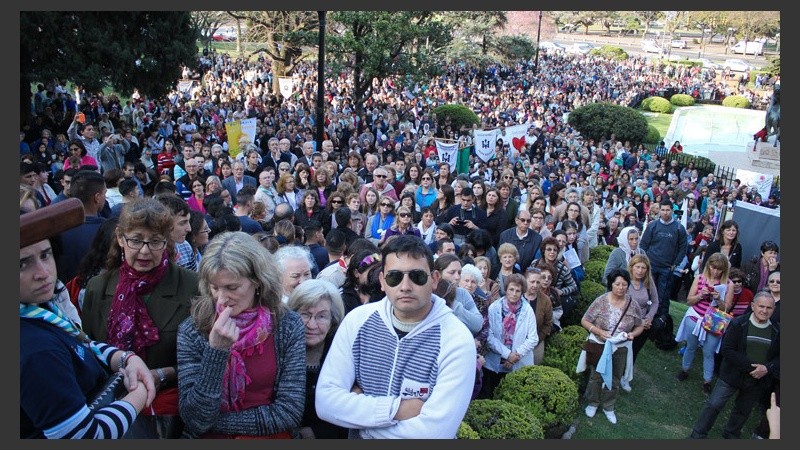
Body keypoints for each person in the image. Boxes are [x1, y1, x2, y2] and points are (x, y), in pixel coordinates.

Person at [315, 235, 477, 438]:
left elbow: (435, 433)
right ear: (383, 281)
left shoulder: (456, 339)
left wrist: (362, 420)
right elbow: (326, 402)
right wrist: (399, 409)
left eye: (417, 276)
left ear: (434, 279)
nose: (405, 286)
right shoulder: (357, 321)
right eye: (394, 277)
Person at [21, 207, 156, 438]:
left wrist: (124, 357)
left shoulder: (37, 306)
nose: (43, 273)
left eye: (45, 254)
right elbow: (86, 435)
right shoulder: (36, 349)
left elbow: (77, 342)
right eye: (22, 264)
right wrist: (141, 391)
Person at [81, 197, 200, 438]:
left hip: (171, 417)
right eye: (136, 240)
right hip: (112, 415)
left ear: (166, 241)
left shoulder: (192, 287)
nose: (145, 251)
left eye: (155, 242)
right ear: (120, 238)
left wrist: (161, 375)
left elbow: (204, 360)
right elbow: (90, 350)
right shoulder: (98, 287)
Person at [176, 231, 306, 438]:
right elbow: (194, 417)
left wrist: (214, 423)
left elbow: (289, 411)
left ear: (257, 281)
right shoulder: (193, 329)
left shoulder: (287, 325)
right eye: (215, 288)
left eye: (232, 287)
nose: (221, 299)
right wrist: (216, 352)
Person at [689, 291, 779, 439]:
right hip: (732, 375)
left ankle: (731, 434)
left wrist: (767, 368)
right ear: (753, 306)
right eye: (761, 306)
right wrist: (752, 368)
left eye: (769, 308)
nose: (764, 310)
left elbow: (780, 356)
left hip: (758, 379)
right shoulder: (739, 323)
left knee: (743, 410)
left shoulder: (778, 329)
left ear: (773, 309)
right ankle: (697, 435)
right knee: (714, 405)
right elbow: (727, 349)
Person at [579, 269, 644, 425]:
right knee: (596, 375)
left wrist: (633, 334)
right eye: (617, 284)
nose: (621, 287)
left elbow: (639, 325)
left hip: (620, 347)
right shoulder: (601, 301)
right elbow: (585, 320)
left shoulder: (632, 304)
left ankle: (609, 407)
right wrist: (598, 331)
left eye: (624, 284)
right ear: (611, 284)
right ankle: (593, 403)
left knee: (615, 378)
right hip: (600, 344)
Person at [286, 279, 349, 439]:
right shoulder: (280, 350)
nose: (312, 325)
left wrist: (317, 433)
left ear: (332, 320)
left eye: (322, 316)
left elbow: (350, 412)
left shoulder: (343, 354)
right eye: (305, 315)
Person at [675, 252, 735, 394]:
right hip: (695, 317)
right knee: (691, 346)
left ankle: (707, 380)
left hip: (714, 321)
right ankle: (684, 370)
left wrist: (719, 299)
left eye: (719, 269)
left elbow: (727, 308)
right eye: (713, 267)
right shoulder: (700, 278)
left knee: (709, 351)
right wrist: (700, 295)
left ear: (724, 269)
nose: (715, 271)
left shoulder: (728, 284)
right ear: (708, 266)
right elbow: (689, 301)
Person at [477, 273, 537, 400]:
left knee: (513, 398)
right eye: (511, 289)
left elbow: (533, 338)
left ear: (522, 292)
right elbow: (489, 336)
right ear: (506, 289)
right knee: (490, 396)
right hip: (495, 362)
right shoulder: (494, 307)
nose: (514, 293)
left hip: (518, 362)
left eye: (518, 291)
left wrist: (515, 356)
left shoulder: (528, 310)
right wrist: (507, 354)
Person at [639, 199, 688, 340]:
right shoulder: (653, 226)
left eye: (668, 210)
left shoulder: (679, 228)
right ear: (659, 210)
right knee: (646, 295)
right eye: (663, 210)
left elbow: (683, 248)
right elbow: (644, 245)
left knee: (662, 298)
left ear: (672, 211)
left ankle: (658, 326)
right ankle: (643, 322)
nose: (665, 212)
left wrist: (675, 264)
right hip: (651, 266)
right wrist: (645, 262)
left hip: (667, 268)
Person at [623, 254, 660, 391]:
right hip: (626, 322)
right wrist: (639, 322)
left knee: (634, 352)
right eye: (637, 267)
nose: (640, 270)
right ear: (632, 268)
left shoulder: (649, 284)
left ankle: (626, 377)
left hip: (643, 324)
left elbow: (655, 302)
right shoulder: (625, 281)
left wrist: (649, 317)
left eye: (643, 268)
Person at [434, 253, 486, 336]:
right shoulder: (429, 295)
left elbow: (477, 324)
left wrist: (453, 304)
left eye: (459, 272)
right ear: (438, 274)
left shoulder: (462, 293)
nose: (457, 277)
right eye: (452, 272)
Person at [524, 267, 553, 365]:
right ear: (525, 281)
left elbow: (548, 323)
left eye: (538, 282)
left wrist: (537, 339)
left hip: (536, 343)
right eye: (532, 282)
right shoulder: (517, 296)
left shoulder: (545, 300)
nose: (535, 285)